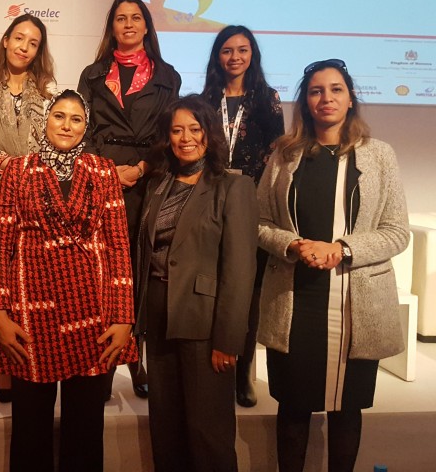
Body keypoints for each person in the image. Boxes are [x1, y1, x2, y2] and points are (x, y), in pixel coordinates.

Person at [257, 59, 409, 472]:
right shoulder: (284, 155)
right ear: (306, 101)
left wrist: (342, 248)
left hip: (356, 305)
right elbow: (260, 223)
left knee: (347, 410)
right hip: (295, 301)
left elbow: (397, 232)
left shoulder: (379, 155)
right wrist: (293, 244)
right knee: (293, 407)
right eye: (316, 91)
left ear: (351, 97)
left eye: (336, 89)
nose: (326, 98)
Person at [0, 90, 137, 472]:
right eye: (59, 116)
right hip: (30, 312)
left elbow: (119, 246)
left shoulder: (103, 171)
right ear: (45, 120)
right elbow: (0, 245)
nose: (66, 125)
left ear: (86, 127)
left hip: (92, 312)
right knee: (30, 430)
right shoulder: (18, 170)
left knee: (85, 430)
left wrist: (123, 317)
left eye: (76, 119)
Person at [134, 94, 258, 471]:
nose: (185, 138)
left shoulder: (233, 187)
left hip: (205, 325)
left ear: (209, 133)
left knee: (208, 433)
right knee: (165, 428)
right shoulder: (159, 184)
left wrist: (228, 340)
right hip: (159, 317)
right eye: (176, 130)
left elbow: (240, 271)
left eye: (194, 129)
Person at [77, 0, 181, 399]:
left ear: (146, 26)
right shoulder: (92, 74)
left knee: (139, 274)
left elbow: (169, 134)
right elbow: (82, 129)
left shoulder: (167, 75)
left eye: (136, 17)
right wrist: (106, 172)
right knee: (101, 274)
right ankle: (101, 365)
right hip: (100, 180)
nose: (128, 24)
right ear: (112, 27)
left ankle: (137, 361)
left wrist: (139, 168)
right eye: (120, 18)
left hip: (147, 179)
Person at [0, 13, 57, 402]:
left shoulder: (50, 92)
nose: (24, 47)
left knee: (36, 280)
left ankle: (36, 354)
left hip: (41, 198)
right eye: (19, 38)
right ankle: (5, 365)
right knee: (3, 281)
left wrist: (32, 173)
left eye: (33, 43)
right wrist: (16, 167)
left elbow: (55, 142)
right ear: (6, 40)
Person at [201, 24, 284, 407]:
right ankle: (211, 366)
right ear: (218, 56)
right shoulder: (206, 99)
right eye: (227, 50)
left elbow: (275, 153)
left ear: (252, 55)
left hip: (251, 201)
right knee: (213, 282)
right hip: (211, 199)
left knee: (247, 290)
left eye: (242, 50)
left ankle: (243, 373)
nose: (235, 57)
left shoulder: (268, 98)